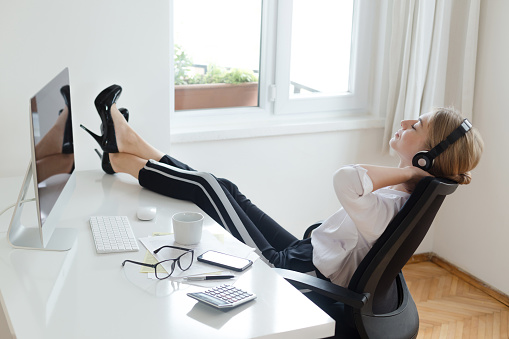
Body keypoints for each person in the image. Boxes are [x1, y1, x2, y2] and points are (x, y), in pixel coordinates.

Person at [81, 85, 484, 287]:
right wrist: (413, 172)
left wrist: (412, 173)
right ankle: (126, 148)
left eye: (416, 127)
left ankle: (120, 154)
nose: (404, 123)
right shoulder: (401, 195)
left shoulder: (392, 207)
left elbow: (345, 180)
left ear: (427, 157)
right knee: (225, 187)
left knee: (205, 188)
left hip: (289, 270)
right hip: (305, 250)